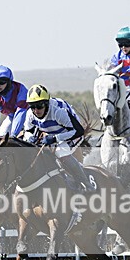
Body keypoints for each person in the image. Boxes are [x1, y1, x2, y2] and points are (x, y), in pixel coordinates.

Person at [22, 84, 93, 232]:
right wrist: (31, 139)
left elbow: (77, 131)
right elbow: (27, 132)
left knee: (61, 153)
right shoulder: (30, 114)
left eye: (39, 106)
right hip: (49, 134)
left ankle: (86, 183)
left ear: (47, 103)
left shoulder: (58, 112)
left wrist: (56, 138)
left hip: (69, 134)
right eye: (32, 106)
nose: (36, 110)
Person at [0, 65, 28, 137]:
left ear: (9, 81)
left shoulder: (20, 89)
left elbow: (21, 114)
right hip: (12, 118)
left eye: (2, 81)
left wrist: (13, 135)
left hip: (30, 118)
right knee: (0, 136)